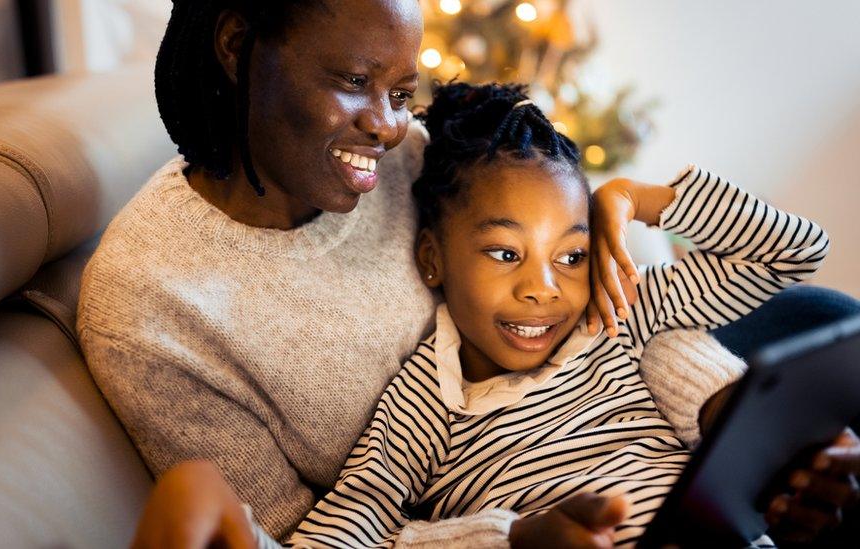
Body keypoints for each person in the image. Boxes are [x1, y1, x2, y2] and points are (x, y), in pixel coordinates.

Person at [76, 1, 860, 547]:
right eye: (354, 82)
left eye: (401, 93)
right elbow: (300, 535)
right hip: (488, 505)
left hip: (637, 423)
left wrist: (624, 203)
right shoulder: (149, 307)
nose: (389, 129)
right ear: (237, 42)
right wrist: (509, 539)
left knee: (819, 329)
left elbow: (553, 237)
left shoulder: (407, 156)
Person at [281, 81, 835, 548]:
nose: (543, 291)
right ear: (432, 259)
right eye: (505, 254)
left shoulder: (614, 316)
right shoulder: (429, 397)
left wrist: (635, 199)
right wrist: (512, 537)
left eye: (570, 256)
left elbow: (798, 250)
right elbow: (347, 532)